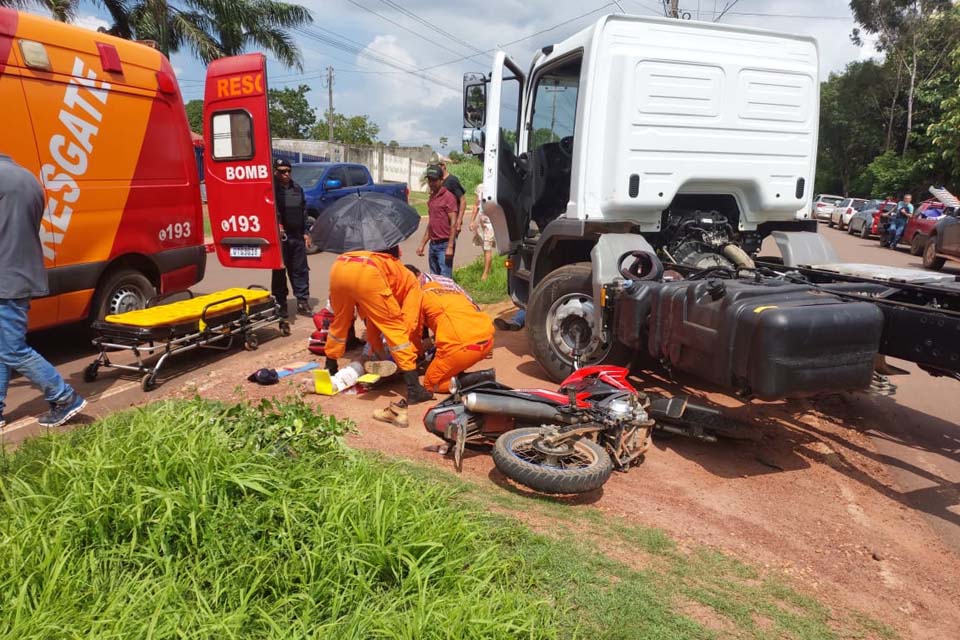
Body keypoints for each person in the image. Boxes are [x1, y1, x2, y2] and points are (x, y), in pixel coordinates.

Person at [0, 154, 86, 428]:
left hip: (5, 277)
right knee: (2, 347)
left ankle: (64, 397)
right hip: (20, 272)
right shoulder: (27, 178)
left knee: (12, 349)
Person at [324, 247, 433, 411]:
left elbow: (372, 324)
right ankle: (414, 389)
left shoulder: (391, 272)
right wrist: (414, 356)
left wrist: (380, 354)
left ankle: (330, 368)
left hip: (340, 266)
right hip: (367, 273)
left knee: (340, 321)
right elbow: (409, 327)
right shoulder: (412, 285)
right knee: (396, 330)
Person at [412, 269, 495, 395]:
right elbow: (474, 308)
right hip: (487, 340)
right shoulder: (451, 290)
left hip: (462, 347)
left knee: (430, 384)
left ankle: (481, 379)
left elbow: (415, 333)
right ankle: (461, 371)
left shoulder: (420, 296)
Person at [271, 158, 313, 317]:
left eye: (288, 171)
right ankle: (280, 305)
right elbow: (270, 211)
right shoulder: (271, 190)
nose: (286, 174)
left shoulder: (296, 188)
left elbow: (303, 211)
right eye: (282, 171)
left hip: (296, 236)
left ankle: (302, 301)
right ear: (275, 171)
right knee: (280, 273)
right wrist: (278, 226)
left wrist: (306, 233)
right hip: (279, 238)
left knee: (300, 270)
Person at [416, 165, 458, 277]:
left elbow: (453, 223)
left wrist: (450, 246)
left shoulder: (449, 197)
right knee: (434, 277)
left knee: (445, 279)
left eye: (434, 180)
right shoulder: (432, 198)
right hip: (433, 244)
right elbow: (431, 224)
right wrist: (422, 244)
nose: (431, 183)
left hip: (444, 245)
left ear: (441, 180)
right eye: (429, 180)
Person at [469, 183, 495, 280]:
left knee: (487, 247)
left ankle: (485, 273)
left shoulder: (495, 185)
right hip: (480, 220)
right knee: (484, 246)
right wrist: (472, 220)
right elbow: (476, 205)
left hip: (490, 222)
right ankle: (487, 267)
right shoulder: (480, 187)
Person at [440, 160, 467, 238]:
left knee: (449, 245)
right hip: (441, 221)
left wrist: (459, 221)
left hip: (451, 221)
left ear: (443, 166)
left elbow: (463, 200)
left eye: (438, 165)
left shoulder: (452, 180)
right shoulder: (438, 181)